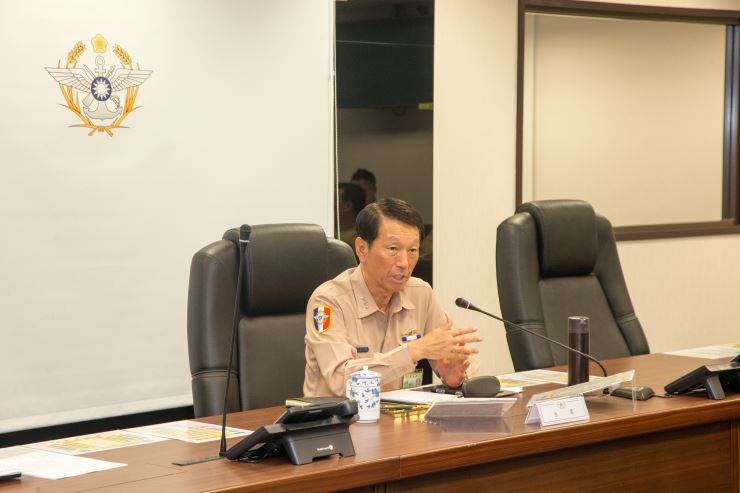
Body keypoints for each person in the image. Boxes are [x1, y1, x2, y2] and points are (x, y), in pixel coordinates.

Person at [303, 198, 481, 397]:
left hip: (398, 414)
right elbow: (340, 380)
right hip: (338, 415)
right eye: (393, 249)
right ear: (362, 249)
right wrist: (414, 350)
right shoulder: (328, 302)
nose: (404, 263)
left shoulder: (420, 293)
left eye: (412, 250)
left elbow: (457, 359)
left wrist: (455, 376)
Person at [337, 182, 365, 251]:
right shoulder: (334, 230)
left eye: (334, 201)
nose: (329, 205)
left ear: (348, 206)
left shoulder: (354, 239)